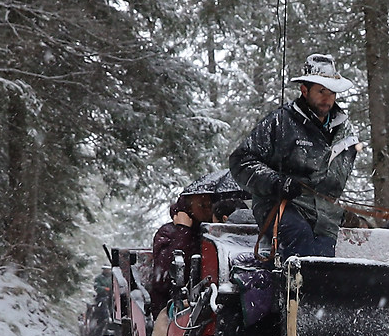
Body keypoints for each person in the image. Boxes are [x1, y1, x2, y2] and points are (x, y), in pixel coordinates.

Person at [228, 56, 358, 259]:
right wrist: (277, 183)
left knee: (324, 268)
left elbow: (337, 180)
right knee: (299, 239)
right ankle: (289, 290)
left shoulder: (345, 131)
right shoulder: (280, 122)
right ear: (304, 91)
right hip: (281, 206)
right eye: (321, 91)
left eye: (332, 92)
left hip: (325, 215)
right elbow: (241, 161)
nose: (327, 98)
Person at [145, 191, 213, 308]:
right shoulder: (168, 232)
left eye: (210, 205)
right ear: (188, 208)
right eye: (202, 205)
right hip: (172, 307)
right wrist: (183, 231)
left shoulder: (213, 231)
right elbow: (163, 278)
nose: (207, 210)